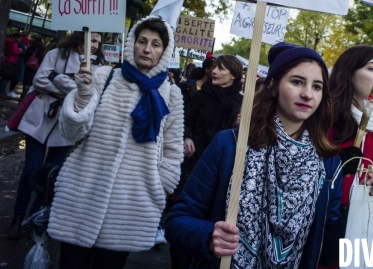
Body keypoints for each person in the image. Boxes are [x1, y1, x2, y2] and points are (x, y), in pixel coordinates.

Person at [166, 42, 373, 268]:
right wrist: (210, 237)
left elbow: (326, 248)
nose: (308, 94)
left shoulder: (327, 163)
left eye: (317, 86)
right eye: (297, 82)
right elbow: (177, 221)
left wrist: (365, 204)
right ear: (272, 86)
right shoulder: (231, 145)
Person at [47, 16, 184, 268]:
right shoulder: (104, 76)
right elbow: (73, 131)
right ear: (132, 43)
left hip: (131, 206)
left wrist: (159, 186)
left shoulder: (171, 94)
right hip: (82, 193)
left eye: (155, 44)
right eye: (142, 41)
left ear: (164, 52)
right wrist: (83, 93)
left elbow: (174, 150)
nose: (147, 49)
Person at [7, 31, 103, 240]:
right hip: (40, 118)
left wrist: (57, 78)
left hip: (66, 125)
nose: (95, 45)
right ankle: (18, 215)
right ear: (82, 38)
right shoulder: (56, 54)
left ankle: (36, 218)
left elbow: (90, 95)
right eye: (93, 40)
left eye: (98, 42)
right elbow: (40, 81)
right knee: (31, 168)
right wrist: (71, 87)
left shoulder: (96, 67)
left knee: (52, 175)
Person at [320, 45, 373, 268]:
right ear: (349, 73)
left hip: (364, 234)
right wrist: (338, 167)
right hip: (322, 232)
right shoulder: (324, 121)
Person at [169, 55, 243, 268]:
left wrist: (240, 125)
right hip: (194, 164)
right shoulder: (202, 97)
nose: (215, 71)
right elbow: (188, 122)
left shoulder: (242, 103)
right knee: (187, 216)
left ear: (234, 74)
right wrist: (187, 137)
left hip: (221, 171)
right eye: (215, 67)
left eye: (221, 68)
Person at [20, 36, 46, 101]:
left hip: (28, 66)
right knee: (30, 82)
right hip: (35, 68)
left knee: (26, 81)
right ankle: (25, 96)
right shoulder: (41, 49)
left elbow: (26, 56)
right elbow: (40, 58)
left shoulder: (30, 47)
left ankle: (22, 94)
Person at [0, 31, 23, 98]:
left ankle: (2, 90)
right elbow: (15, 52)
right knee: (6, 78)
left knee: (3, 77)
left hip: (6, 59)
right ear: (18, 37)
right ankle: (2, 92)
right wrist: (20, 50)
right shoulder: (14, 43)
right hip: (11, 61)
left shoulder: (8, 41)